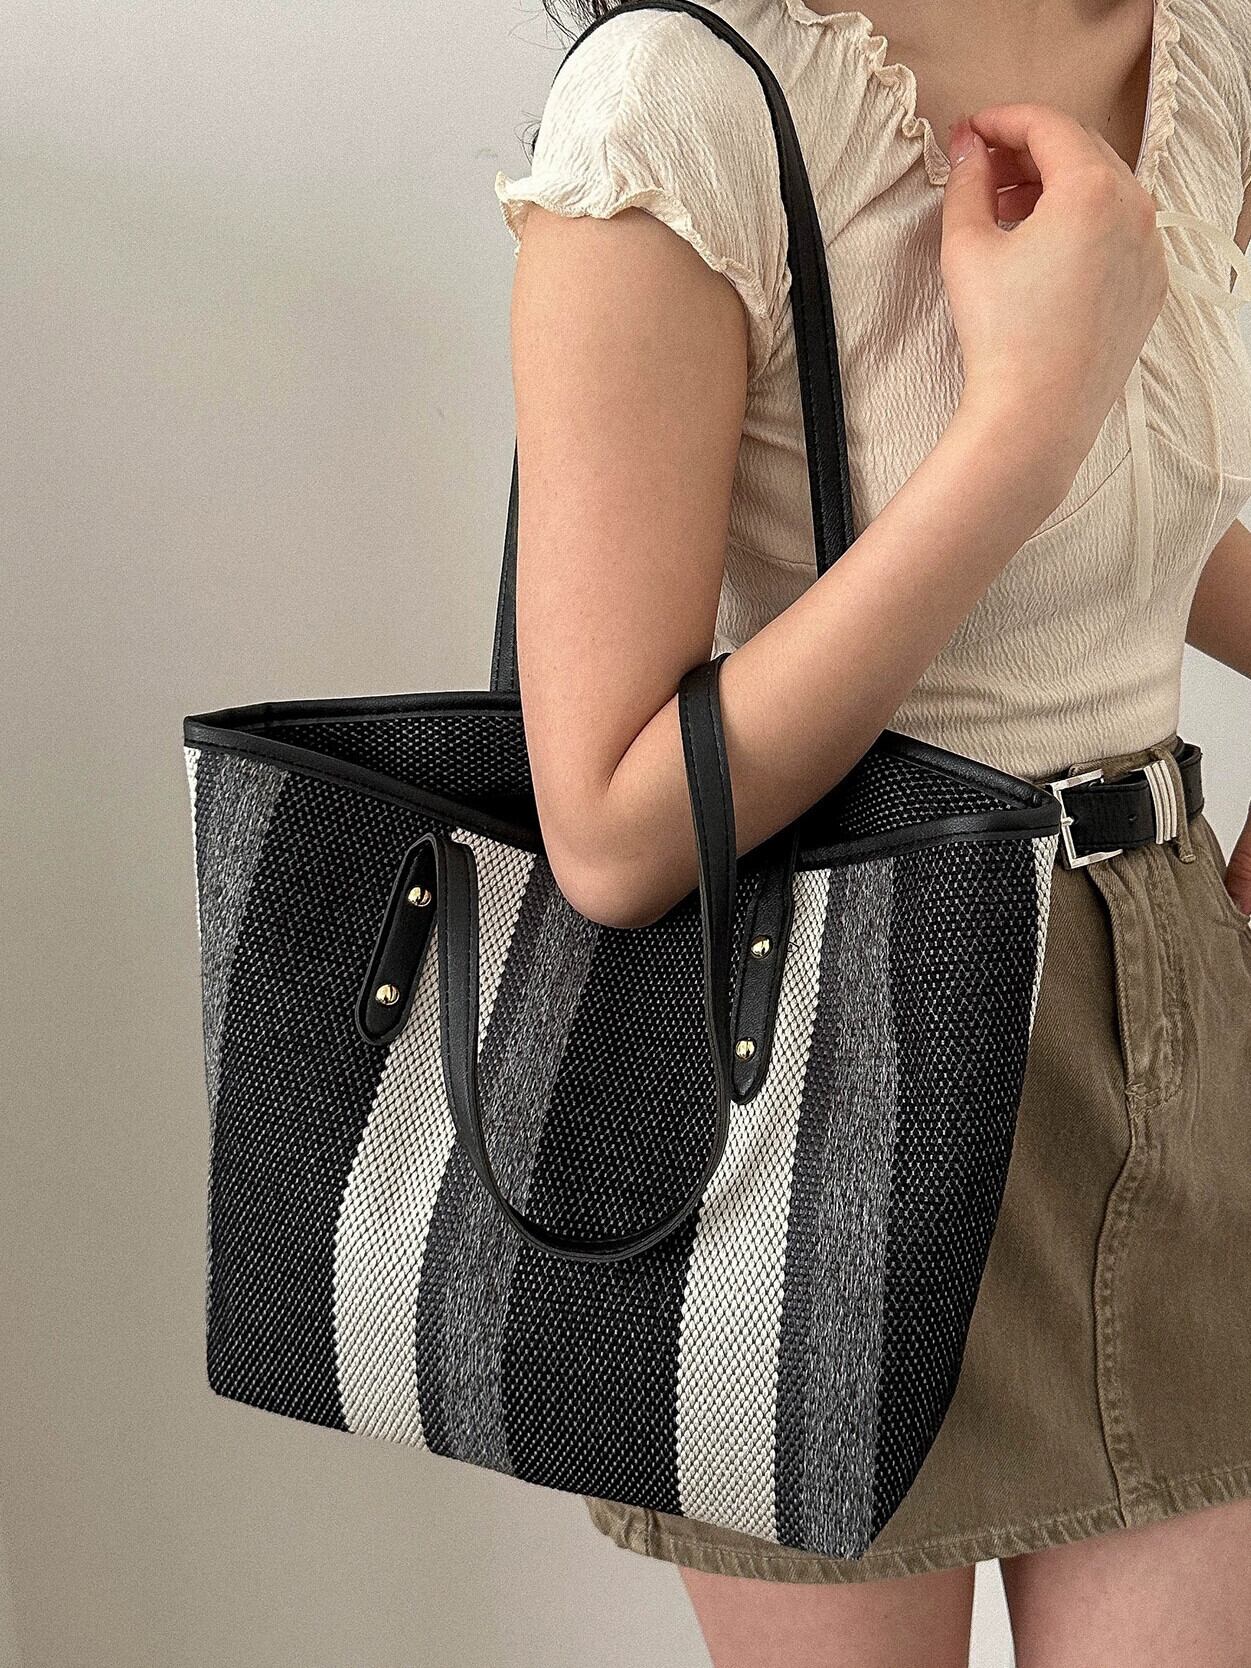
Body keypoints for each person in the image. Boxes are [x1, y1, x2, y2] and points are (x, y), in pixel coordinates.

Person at [492, 0, 1251, 1661]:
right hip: (821, 1073)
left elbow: (1137, 530)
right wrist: (1023, 423)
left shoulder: (1208, 48)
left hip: (1173, 1050)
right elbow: (613, 828)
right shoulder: (685, 105)